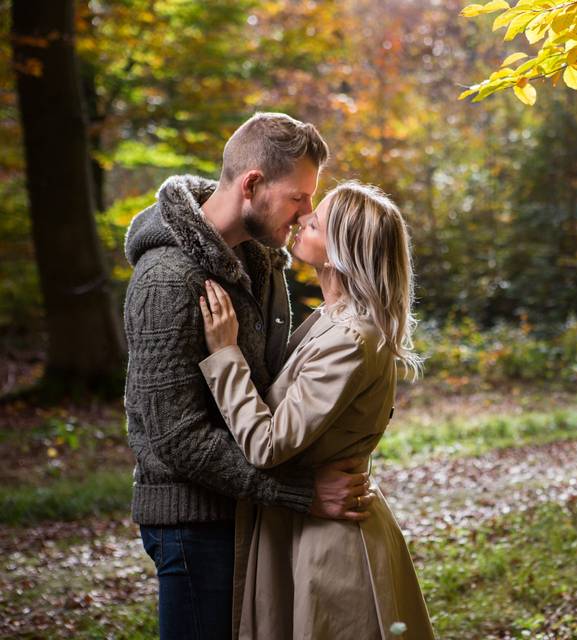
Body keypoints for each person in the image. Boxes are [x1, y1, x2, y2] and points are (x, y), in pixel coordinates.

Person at [123, 113, 376, 640]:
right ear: (253, 184)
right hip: (194, 524)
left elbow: (272, 383)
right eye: (299, 197)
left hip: (246, 508)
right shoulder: (167, 280)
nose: (308, 212)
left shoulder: (259, 257)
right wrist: (300, 493)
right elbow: (175, 435)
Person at [198, 181, 435, 639]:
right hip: (302, 527)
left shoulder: (351, 338)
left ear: (343, 250)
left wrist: (225, 353)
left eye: (317, 221)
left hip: (330, 548)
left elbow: (267, 444)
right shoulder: (329, 318)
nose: (304, 218)